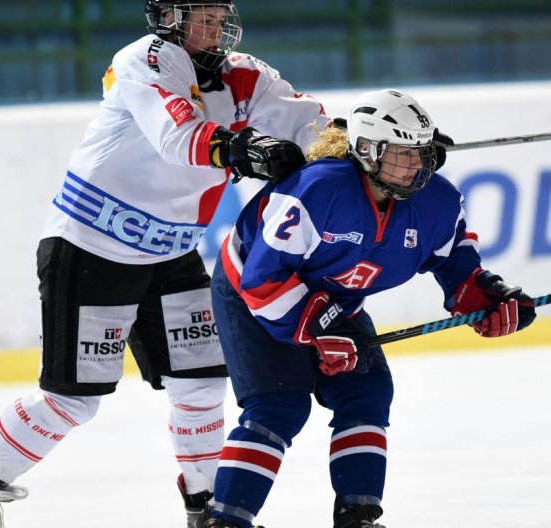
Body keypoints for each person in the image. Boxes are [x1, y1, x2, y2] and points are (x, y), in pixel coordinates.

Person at [0, 2, 332, 528]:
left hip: (172, 253)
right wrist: (242, 148)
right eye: (198, 18)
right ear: (167, 19)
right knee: (73, 401)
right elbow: (177, 136)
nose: (211, 30)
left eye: (216, 18)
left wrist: (359, 152)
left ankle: (205, 511)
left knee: (203, 384)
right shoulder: (145, 58)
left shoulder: (246, 76)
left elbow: (309, 125)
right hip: (93, 245)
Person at [204, 88, 537, 528]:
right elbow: (262, 279)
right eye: (401, 155)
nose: (414, 166)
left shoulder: (436, 201)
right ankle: (226, 520)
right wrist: (318, 328)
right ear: (366, 151)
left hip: (334, 301)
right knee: (279, 406)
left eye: (420, 153)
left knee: (368, 393)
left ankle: (357, 517)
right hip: (254, 293)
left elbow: (456, 266)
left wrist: (490, 298)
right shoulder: (318, 190)